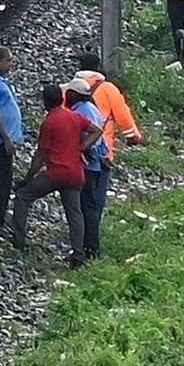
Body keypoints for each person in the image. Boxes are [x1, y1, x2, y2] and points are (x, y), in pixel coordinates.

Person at [16, 84, 90, 260]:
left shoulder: (49, 122)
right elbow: (96, 130)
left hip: (56, 173)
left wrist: (27, 178)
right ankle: (78, 254)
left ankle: (19, 240)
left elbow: (40, 155)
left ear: (45, 102)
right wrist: (82, 147)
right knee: (74, 213)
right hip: (75, 173)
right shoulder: (74, 116)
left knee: (23, 196)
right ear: (62, 99)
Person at [0, 47, 26, 233]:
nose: (11, 63)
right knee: (0, 182)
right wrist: (6, 138)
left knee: (5, 180)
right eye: (8, 60)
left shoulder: (0, 81)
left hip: (4, 142)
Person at [69, 79, 113, 259]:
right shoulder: (92, 108)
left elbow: (92, 137)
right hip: (98, 163)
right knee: (92, 206)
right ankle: (91, 247)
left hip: (89, 164)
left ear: (73, 94)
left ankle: (90, 248)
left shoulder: (81, 112)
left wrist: (82, 149)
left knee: (87, 207)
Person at [71, 54, 144, 148]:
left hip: (73, 144)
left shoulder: (70, 88)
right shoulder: (108, 88)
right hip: (101, 143)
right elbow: (122, 114)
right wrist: (132, 136)